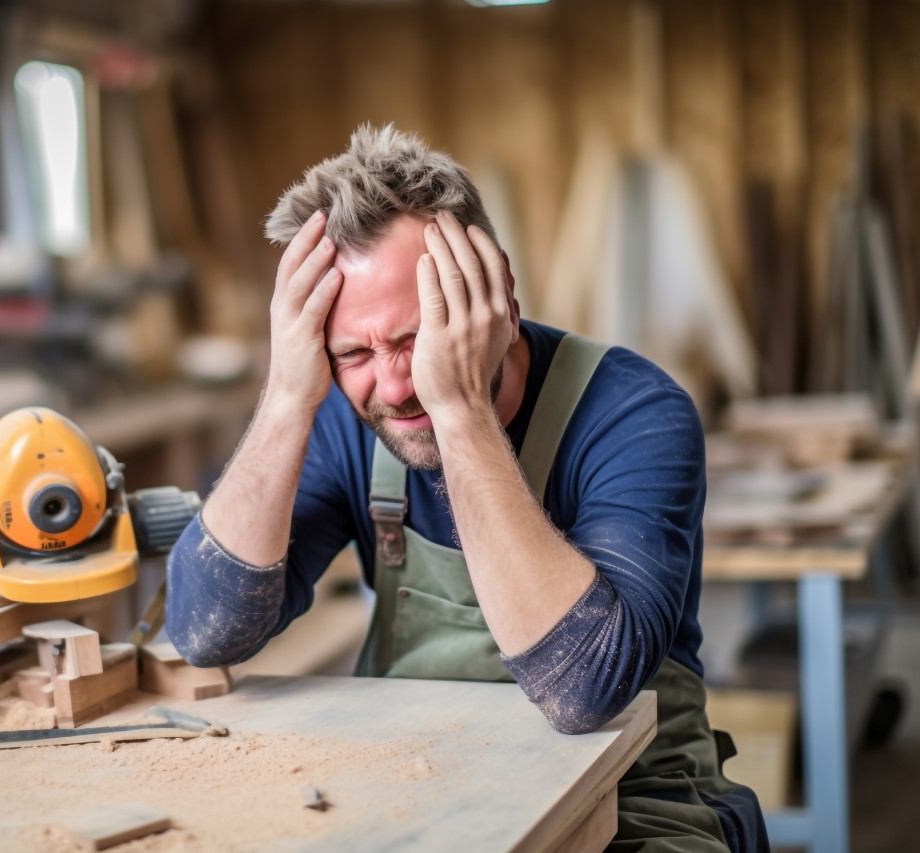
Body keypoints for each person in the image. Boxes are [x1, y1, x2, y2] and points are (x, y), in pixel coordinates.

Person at [165, 125, 768, 852]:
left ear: (499, 299)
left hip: (629, 799)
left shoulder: (635, 412)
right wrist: (289, 395)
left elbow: (585, 690)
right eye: (352, 350)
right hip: (415, 784)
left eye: (416, 339)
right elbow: (207, 631)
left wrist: (459, 412)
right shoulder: (343, 415)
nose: (392, 384)